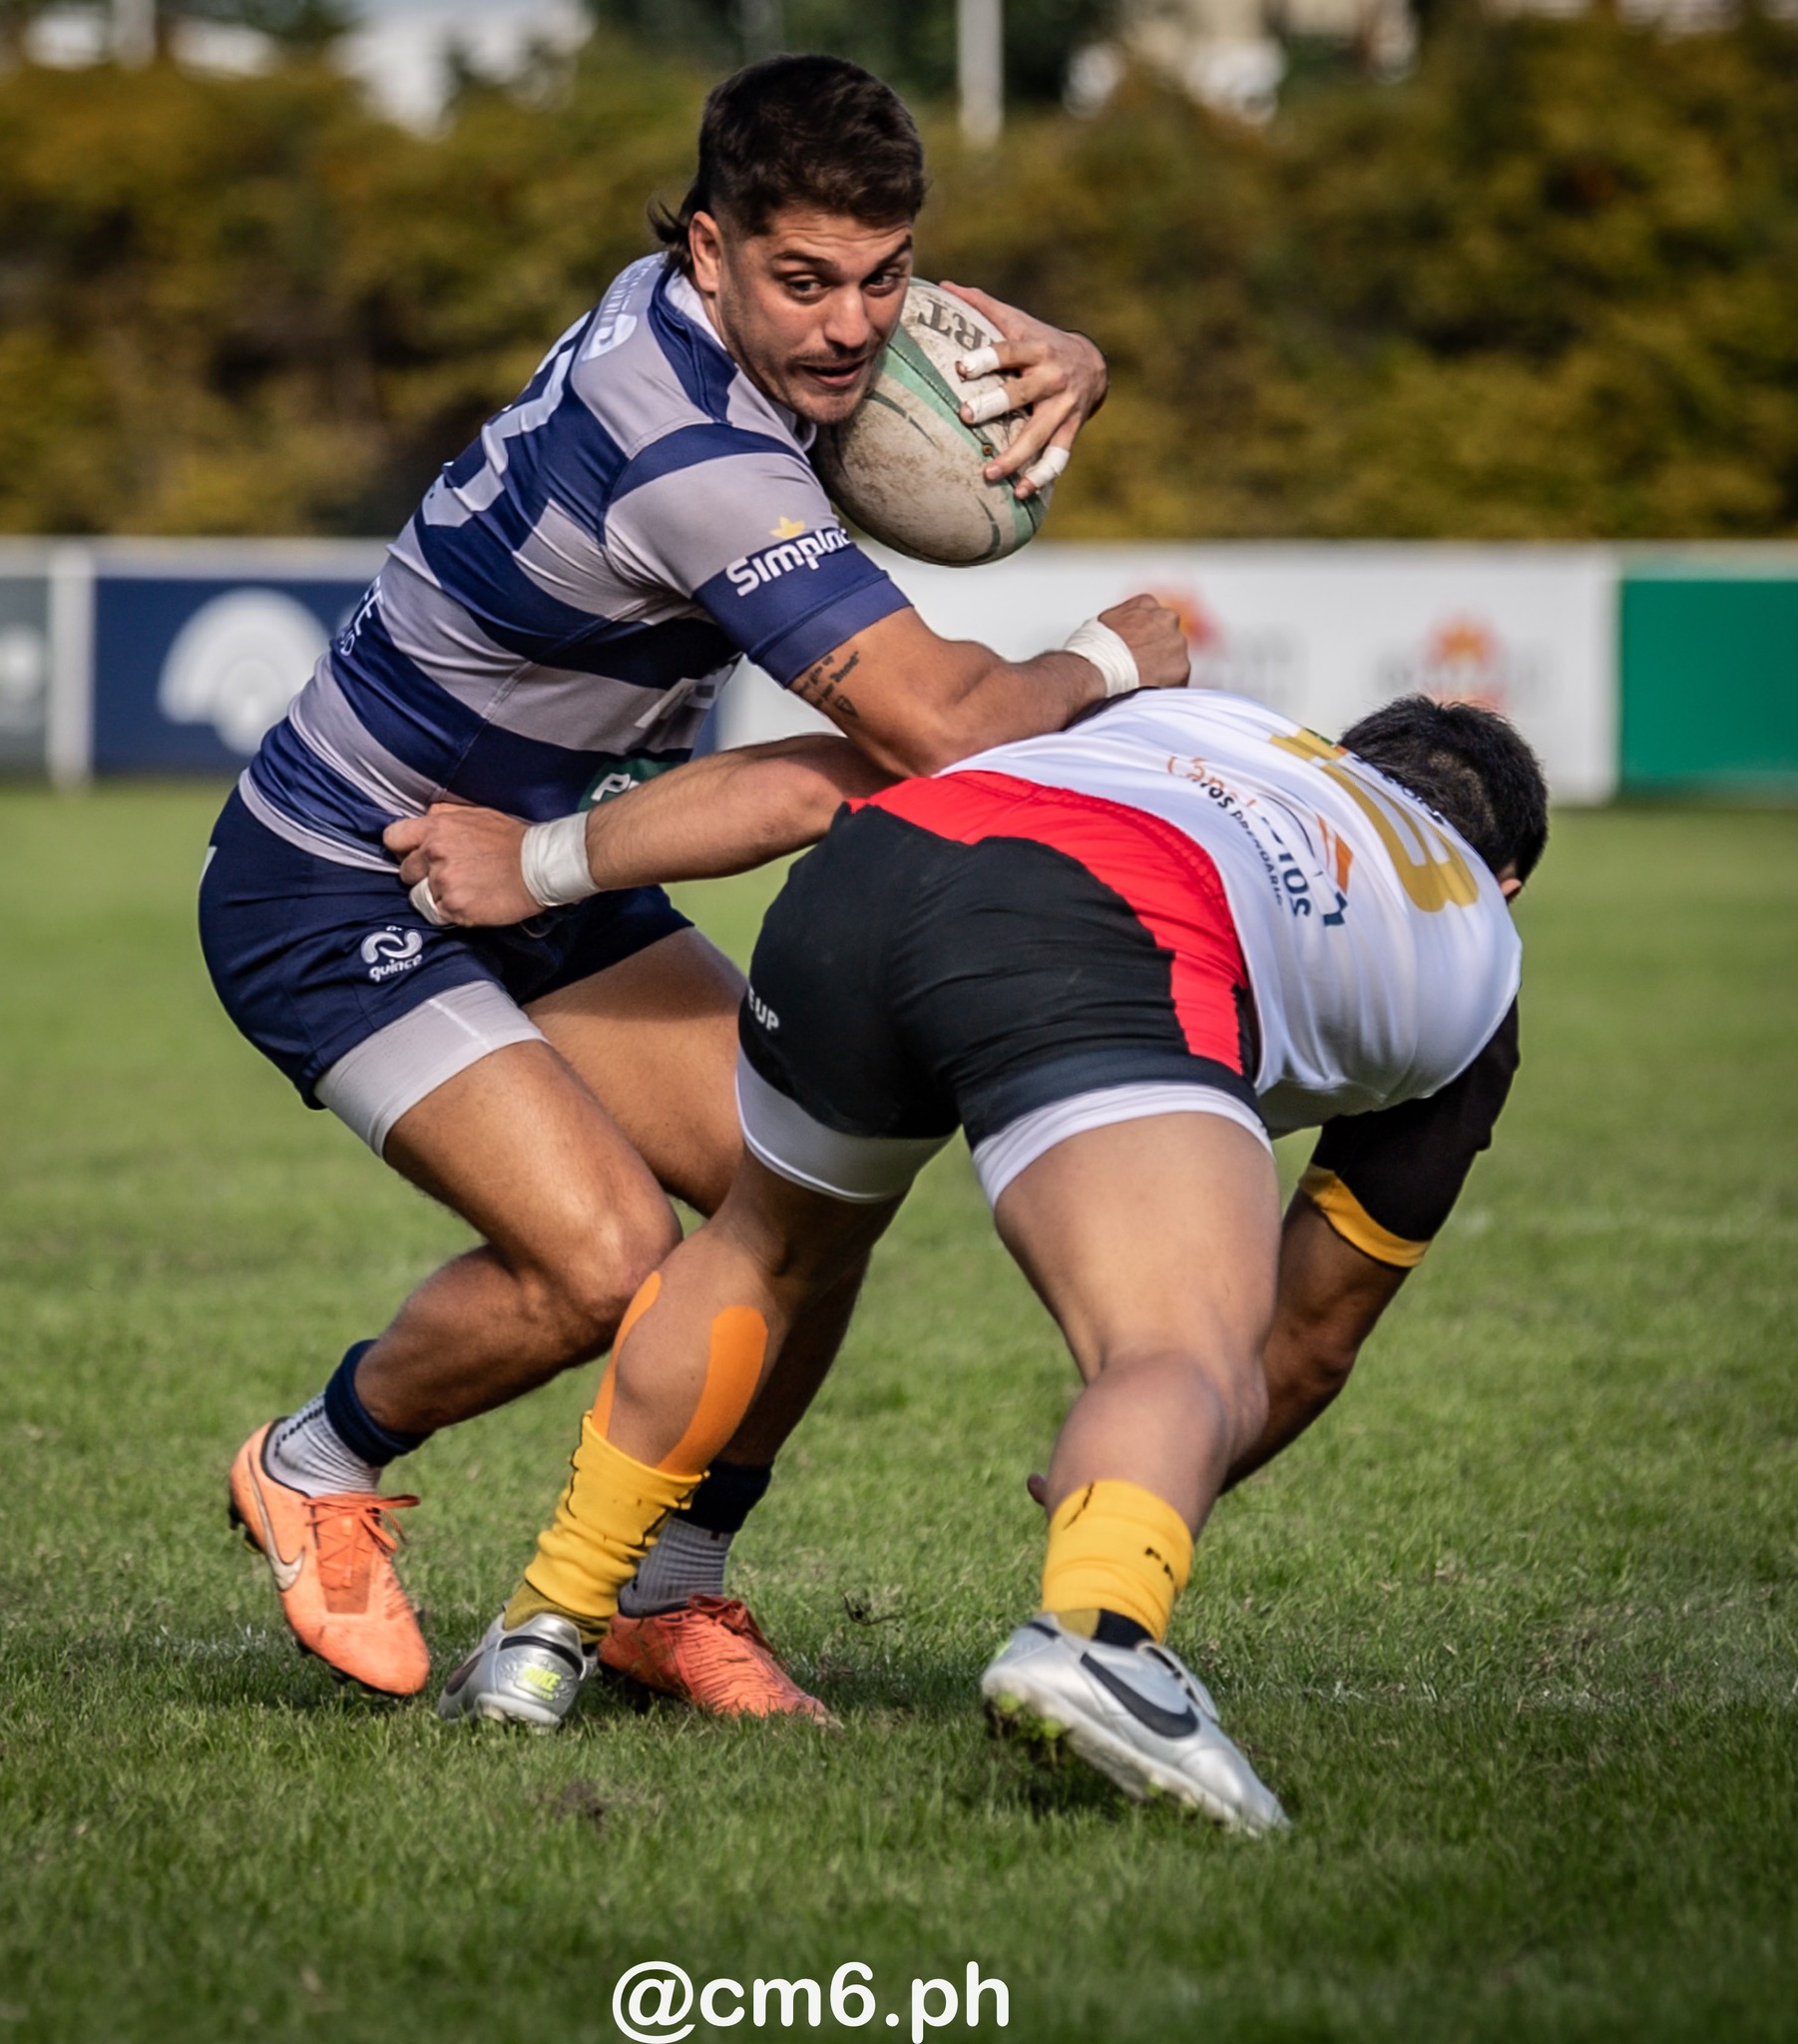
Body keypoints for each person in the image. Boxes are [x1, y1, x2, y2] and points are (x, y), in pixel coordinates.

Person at [200, 51, 1192, 1708]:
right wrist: (1109, 650)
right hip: (339, 871)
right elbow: (931, 732)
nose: (850, 327)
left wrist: (1073, 351)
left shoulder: (729, 303)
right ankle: (315, 1459)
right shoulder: (687, 455)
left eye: (884, 281)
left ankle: (671, 1580)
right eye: (801, 281)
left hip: (532, 857)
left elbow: (912, 333)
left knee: (811, 1174)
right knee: (597, 1261)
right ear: (708, 252)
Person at [439, 690, 1547, 1833]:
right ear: (1505, 879)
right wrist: (1145, 1477)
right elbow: (1306, 1342)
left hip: (879, 860)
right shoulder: (1478, 934)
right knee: (1177, 1344)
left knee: (759, 1249)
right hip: (1114, 917)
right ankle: (1102, 1641)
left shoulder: (1215, 717)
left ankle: (539, 1633)